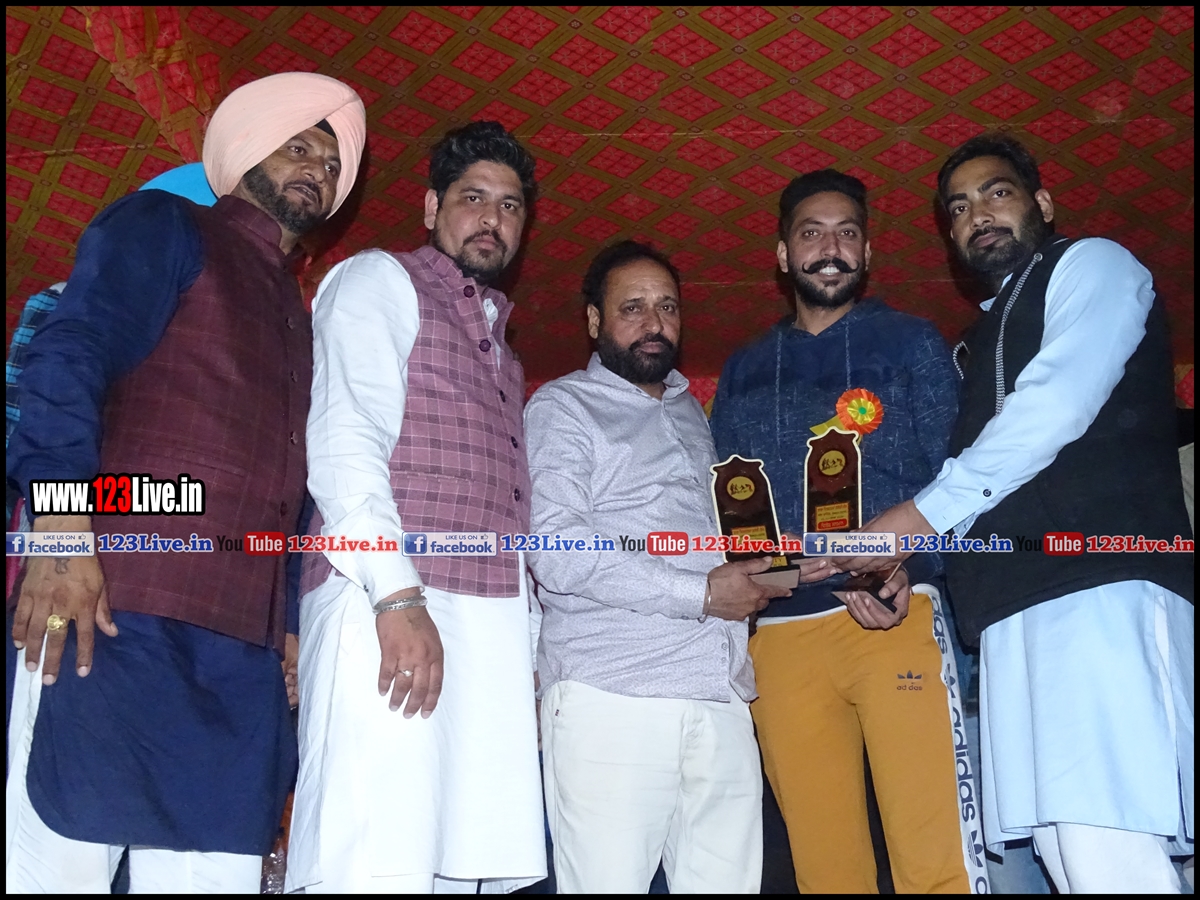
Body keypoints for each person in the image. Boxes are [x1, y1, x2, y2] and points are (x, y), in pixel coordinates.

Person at [5, 72, 365, 893]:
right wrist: (59, 532)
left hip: (237, 657)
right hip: (109, 604)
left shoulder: (304, 323)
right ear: (246, 150)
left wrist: (287, 625)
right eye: (298, 146)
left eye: (331, 162)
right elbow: (68, 358)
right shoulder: (164, 225)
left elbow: (290, 491)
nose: (316, 169)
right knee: (56, 869)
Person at [847, 134, 1194, 892]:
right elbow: (988, 487)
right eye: (958, 208)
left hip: (1100, 585)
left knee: (1108, 846)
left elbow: (1057, 403)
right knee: (1066, 853)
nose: (976, 214)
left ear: (1042, 202)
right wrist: (912, 559)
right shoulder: (978, 342)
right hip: (1014, 612)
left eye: (996, 193)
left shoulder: (1094, 265)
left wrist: (917, 518)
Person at [709, 170, 988, 893]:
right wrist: (768, 582)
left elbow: (963, 483)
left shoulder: (912, 343)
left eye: (847, 233)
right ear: (783, 255)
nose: (830, 247)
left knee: (934, 859)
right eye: (812, 233)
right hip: (781, 639)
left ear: (867, 252)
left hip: (898, 614)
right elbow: (734, 512)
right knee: (825, 869)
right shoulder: (741, 370)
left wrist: (908, 570)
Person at [286, 121, 546, 893]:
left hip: (488, 625)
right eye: (473, 198)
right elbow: (343, 440)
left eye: (510, 206)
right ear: (432, 207)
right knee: (379, 857)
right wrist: (395, 595)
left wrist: (527, 644)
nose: (492, 218)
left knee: (462, 865)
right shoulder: (378, 279)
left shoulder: (507, 354)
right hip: (386, 601)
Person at [524, 240, 792, 893]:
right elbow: (557, 548)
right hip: (612, 695)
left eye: (667, 307)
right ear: (595, 320)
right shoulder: (562, 406)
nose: (654, 322)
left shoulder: (693, 415)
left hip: (720, 694)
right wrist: (700, 594)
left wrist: (810, 570)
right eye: (633, 307)